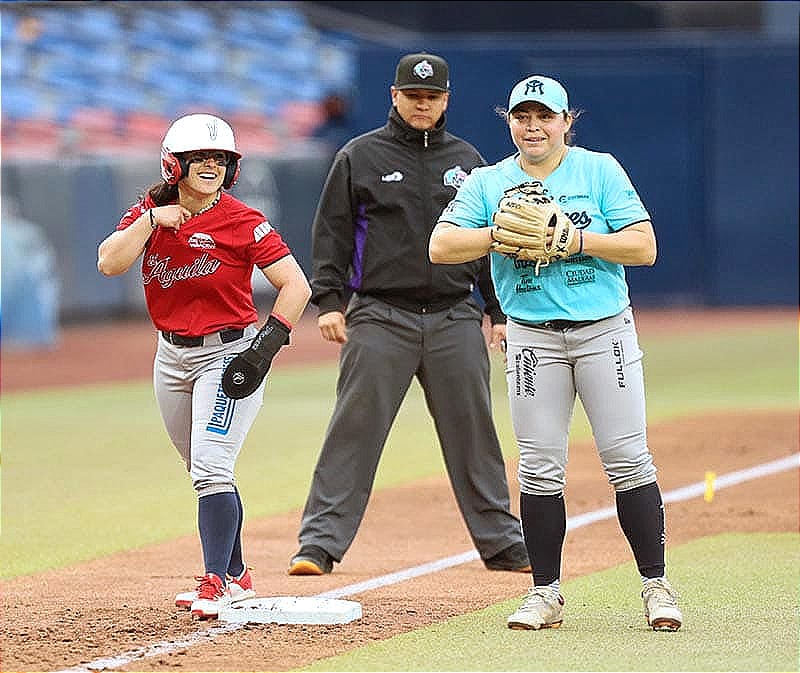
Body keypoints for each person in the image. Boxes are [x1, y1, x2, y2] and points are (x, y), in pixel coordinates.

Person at [429, 74, 683, 631]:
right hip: (532, 336)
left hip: (602, 331)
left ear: (567, 122)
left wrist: (574, 239)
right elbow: (442, 245)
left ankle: (656, 587)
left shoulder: (598, 169)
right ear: (509, 122)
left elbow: (644, 247)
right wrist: (500, 232)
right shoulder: (489, 181)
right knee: (540, 471)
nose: (533, 126)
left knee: (627, 460)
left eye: (546, 116)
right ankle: (544, 593)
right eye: (523, 116)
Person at [288, 53, 530, 576]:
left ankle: (502, 542)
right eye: (413, 96)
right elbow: (330, 233)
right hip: (381, 315)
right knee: (353, 431)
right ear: (394, 97)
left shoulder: (467, 160)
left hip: (454, 316)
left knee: (475, 434)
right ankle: (318, 545)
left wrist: (498, 310)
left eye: (433, 97)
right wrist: (329, 301)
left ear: (446, 100)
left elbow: (487, 241)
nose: (423, 105)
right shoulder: (359, 156)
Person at [97, 113, 311, 620]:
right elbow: (109, 262)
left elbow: (296, 285)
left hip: (228, 353)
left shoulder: (243, 221)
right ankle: (238, 575)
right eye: (200, 158)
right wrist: (151, 221)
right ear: (176, 164)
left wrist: (262, 351)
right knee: (201, 467)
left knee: (212, 468)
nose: (210, 166)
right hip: (170, 355)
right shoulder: (148, 212)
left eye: (219, 159)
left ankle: (215, 580)